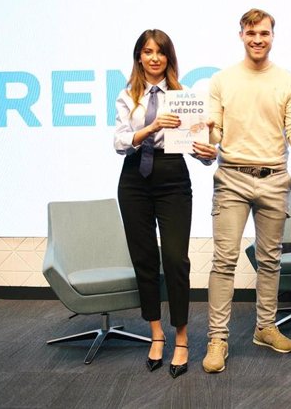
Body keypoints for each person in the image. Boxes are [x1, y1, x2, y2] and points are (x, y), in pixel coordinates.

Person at [202, 8, 291, 374]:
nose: (257, 39)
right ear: (241, 35)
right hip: (231, 177)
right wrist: (204, 137)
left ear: (272, 35)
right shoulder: (221, 80)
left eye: (264, 33)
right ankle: (217, 338)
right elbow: (214, 133)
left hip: (274, 178)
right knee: (224, 261)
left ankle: (265, 327)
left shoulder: (288, 82)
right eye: (251, 33)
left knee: (270, 259)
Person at [114, 29, 217, 378]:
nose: (154, 58)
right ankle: (156, 333)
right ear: (138, 57)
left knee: (175, 258)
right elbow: (120, 141)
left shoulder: (184, 96)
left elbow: (199, 153)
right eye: (147, 51)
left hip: (173, 176)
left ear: (169, 58)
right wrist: (153, 125)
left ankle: (182, 336)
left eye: (160, 52)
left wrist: (207, 150)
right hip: (134, 179)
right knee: (145, 259)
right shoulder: (128, 96)